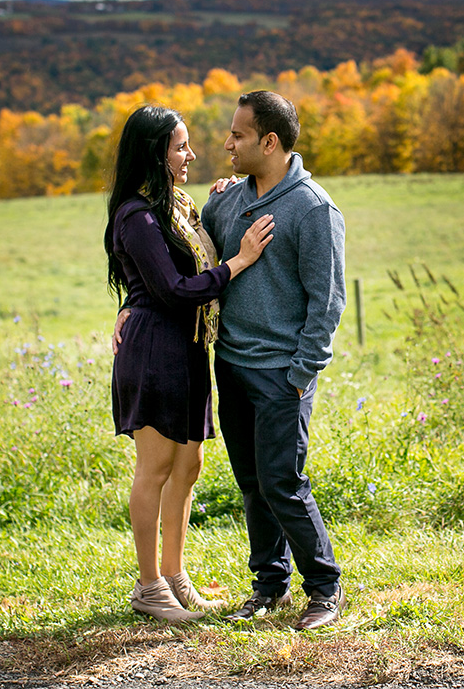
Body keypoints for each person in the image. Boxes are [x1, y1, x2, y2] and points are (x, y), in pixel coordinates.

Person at [106, 105, 274, 623]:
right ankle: (148, 586)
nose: (191, 154)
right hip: (154, 350)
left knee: (189, 465)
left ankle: (176, 577)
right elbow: (174, 289)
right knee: (155, 467)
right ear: (155, 153)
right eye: (180, 146)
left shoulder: (176, 205)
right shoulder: (136, 214)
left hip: (187, 350)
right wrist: (239, 261)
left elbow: (184, 261)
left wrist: (224, 199)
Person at [202, 90, 348, 631]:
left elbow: (328, 299)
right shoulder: (226, 202)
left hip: (282, 374)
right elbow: (198, 251)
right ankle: (269, 586)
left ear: (269, 141)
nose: (227, 143)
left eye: (238, 135)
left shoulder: (312, 208)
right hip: (232, 366)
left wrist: (300, 373)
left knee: (281, 481)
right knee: (250, 482)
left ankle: (325, 589)